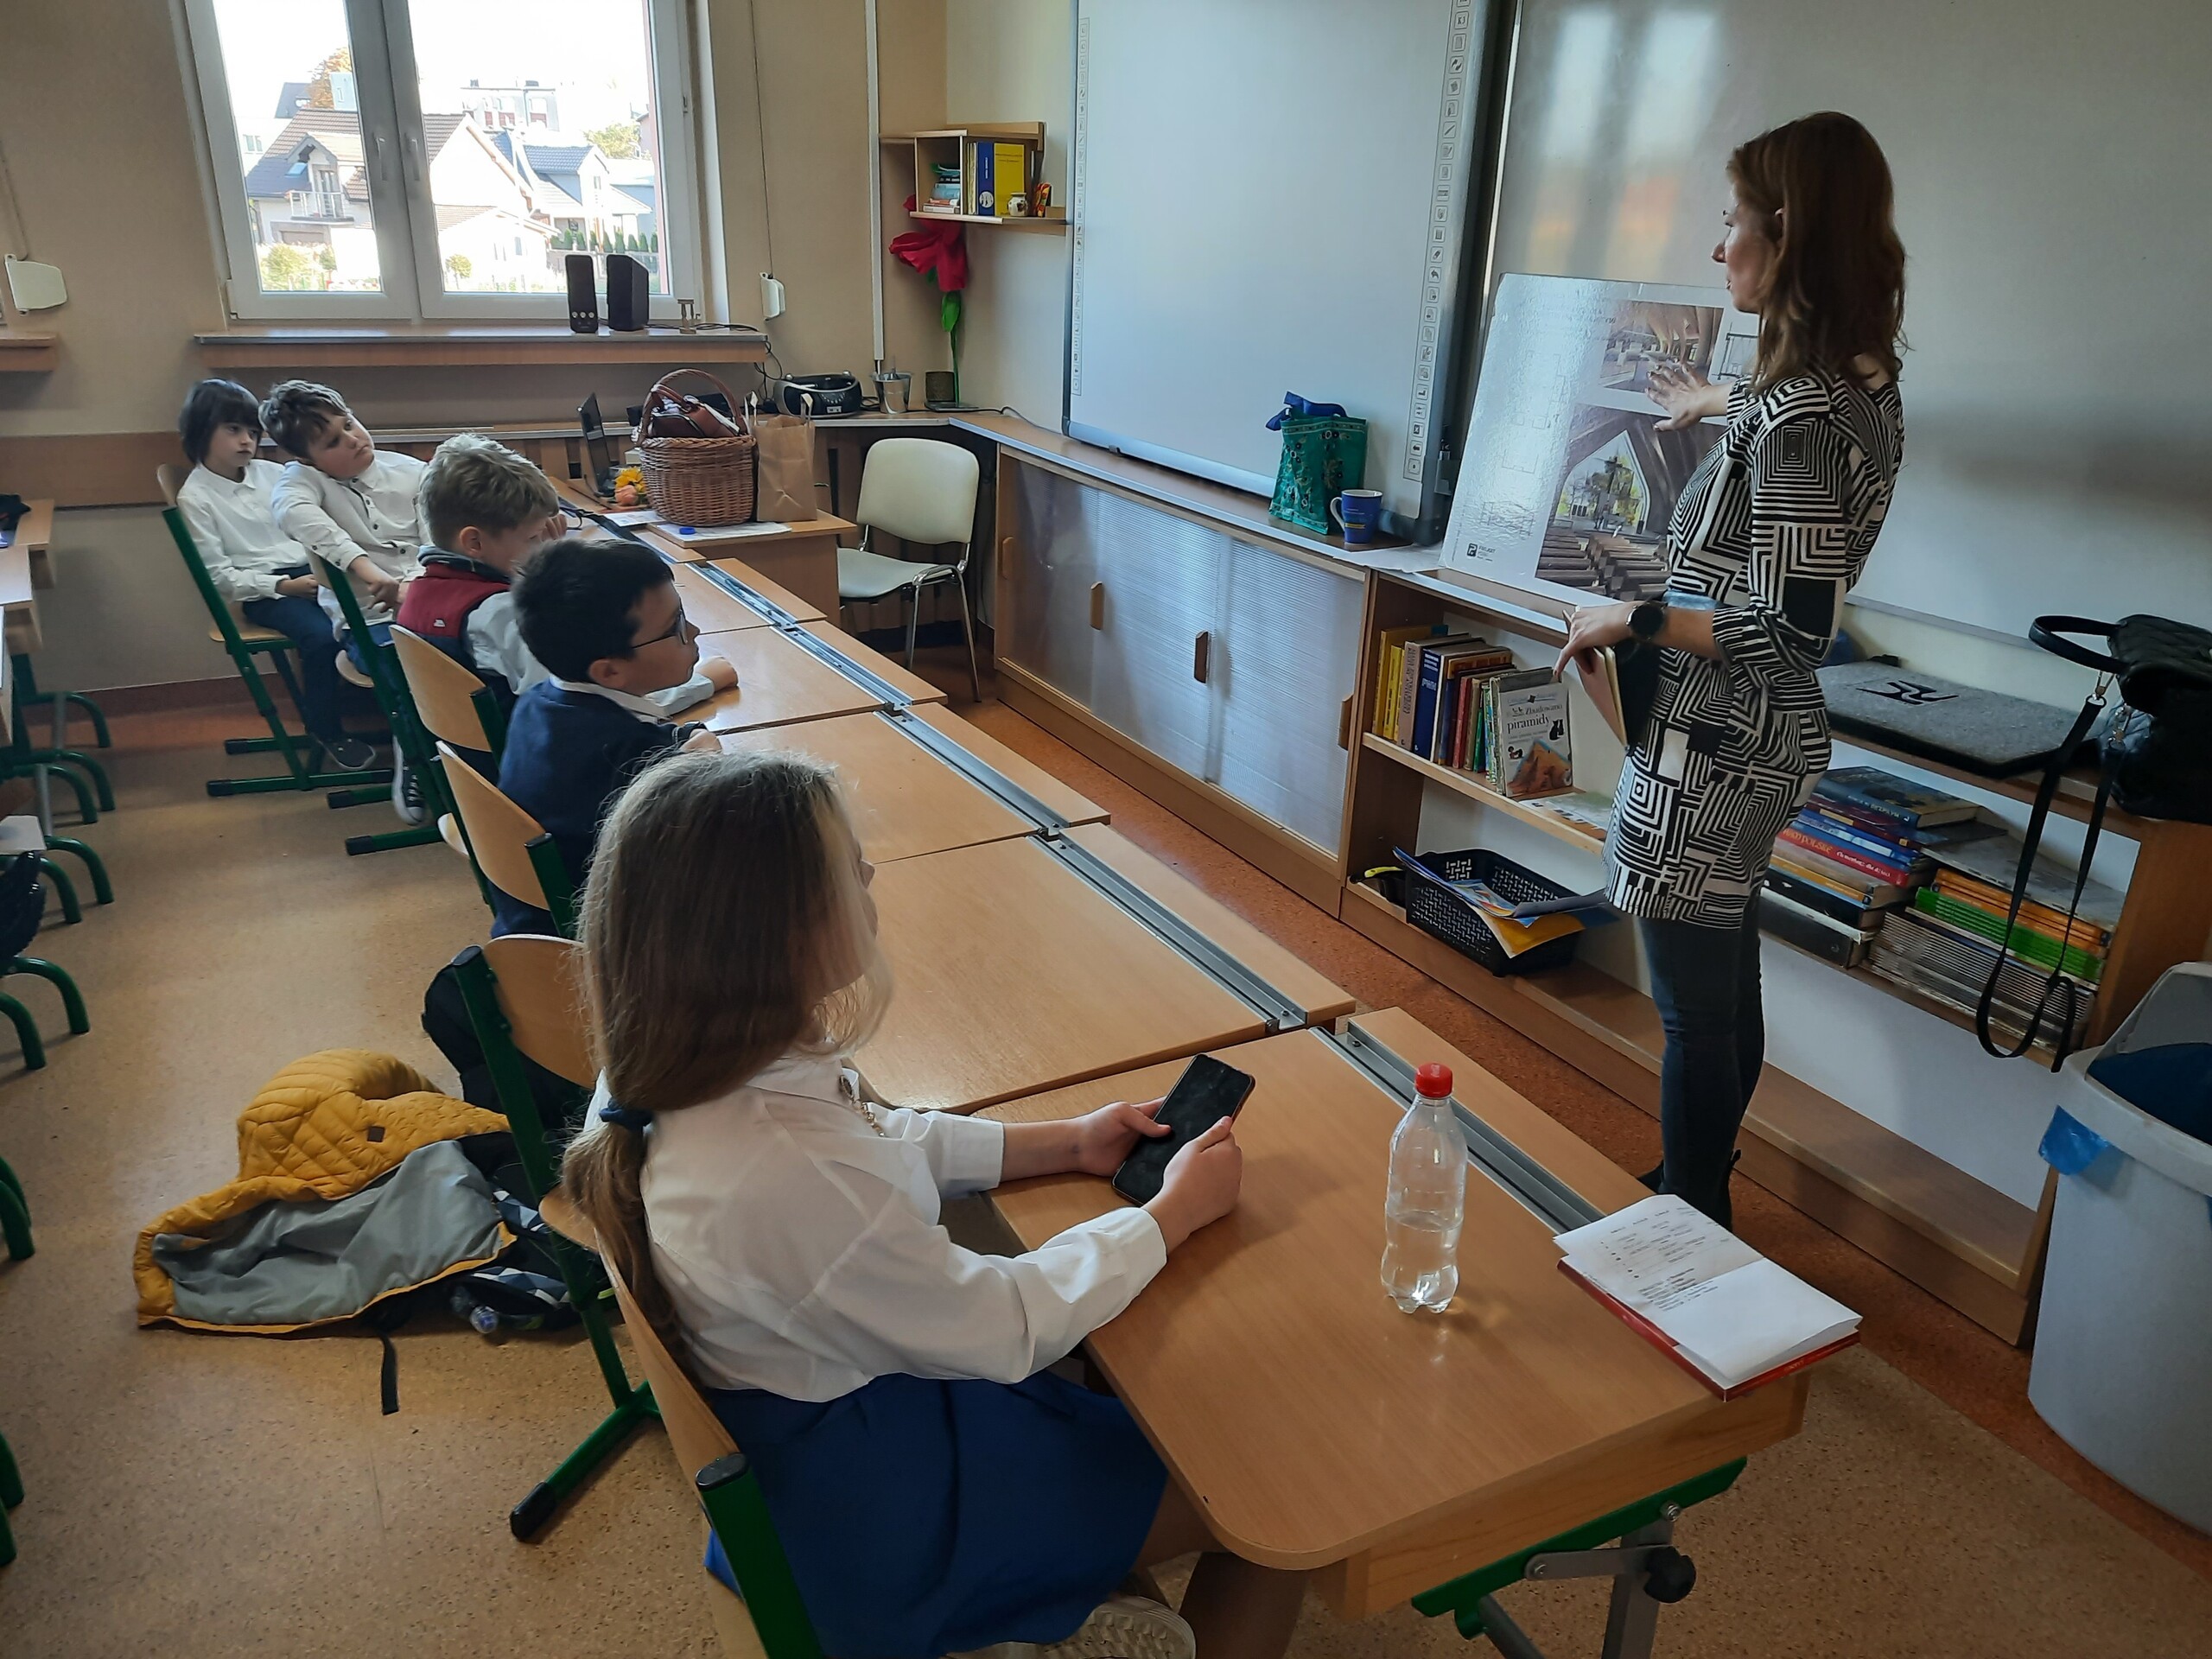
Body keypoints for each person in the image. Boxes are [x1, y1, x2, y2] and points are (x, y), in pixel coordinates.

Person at [558, 750, 1309, 1659]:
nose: (872, 878)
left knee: (1136, 1375)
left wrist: (1066, 1141)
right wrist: (1168, 1215)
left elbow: (873, 1131)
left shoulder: (668, 1071)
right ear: (777, 935)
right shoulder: (787, 1177)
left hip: (824, 1442)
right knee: (1277, 1499)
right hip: (880, 1524)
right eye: (850, 869)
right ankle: (1025, 1604)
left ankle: (1065, 1594)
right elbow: (1004, 1325)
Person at [1555, 111, 1907, 1230]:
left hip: (1715, 747)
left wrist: (1633, 617)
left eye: (1731, 223)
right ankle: (1693, 1189)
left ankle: (1691, 1220)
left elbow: (1792, 624)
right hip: (1747, 742)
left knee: (1692, 1014)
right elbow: (1782, 417)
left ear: (1787, 232)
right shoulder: (1855, 382)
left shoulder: (1799, 419)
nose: (1718, 249)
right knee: (1721, 981)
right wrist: (1708, 401)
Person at [399, 433, 730, 725]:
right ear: (474, 542)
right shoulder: (499, 614)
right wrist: (701, 683)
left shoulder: (420, 592)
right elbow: (577, 708)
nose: (541, 546)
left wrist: (549, 557)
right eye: (532, 538)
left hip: (470, 764)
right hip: (528, 766)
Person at [493, 537, 727, 936]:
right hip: (608, 938)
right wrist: (704, 761)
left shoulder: (537, 702)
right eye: (675, 627)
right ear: (610, 672)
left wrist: (686, 737)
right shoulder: (630, 754)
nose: (694, 630)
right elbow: (713, 835)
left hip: (535, 919)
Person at [173, 379, 378, 772]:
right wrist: (284, 586)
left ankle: (390, 716)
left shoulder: (274, 473)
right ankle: (326, 729)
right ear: (201, 430)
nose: (246, 441)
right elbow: (219, 576)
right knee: (322, 637)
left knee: (368, 617)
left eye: (252, 431)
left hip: (315, 571)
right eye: (233, 429)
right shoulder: (196, 498)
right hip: (266, 591)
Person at [261, 379, 428, 664]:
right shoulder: (302, 481)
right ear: (306, 459)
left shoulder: (412, 471)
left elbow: (435, 540)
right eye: (333, 442)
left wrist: (414, 583)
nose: (352, 439)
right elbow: (291, 512)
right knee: (407, 665)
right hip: (370, 621)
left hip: (432, 601)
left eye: (349, 424)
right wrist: (368, 570)